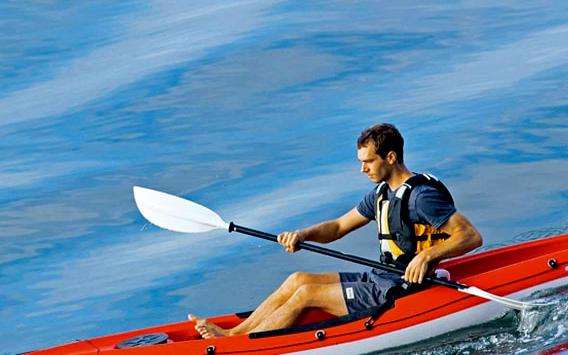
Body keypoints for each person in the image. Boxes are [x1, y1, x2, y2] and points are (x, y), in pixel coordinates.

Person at [190, 123, 482, 338]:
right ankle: (234, 334)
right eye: (361, 162)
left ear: (391, 158)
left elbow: (470, 236)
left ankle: (236, 345)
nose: (362, 169)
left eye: (369, 161)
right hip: (381, 277)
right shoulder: (382, 193)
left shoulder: (421, 197)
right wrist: (303, 234)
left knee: (306, 294)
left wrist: (428, 255)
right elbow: (339, 226)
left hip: (401, 289)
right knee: (297, 279)